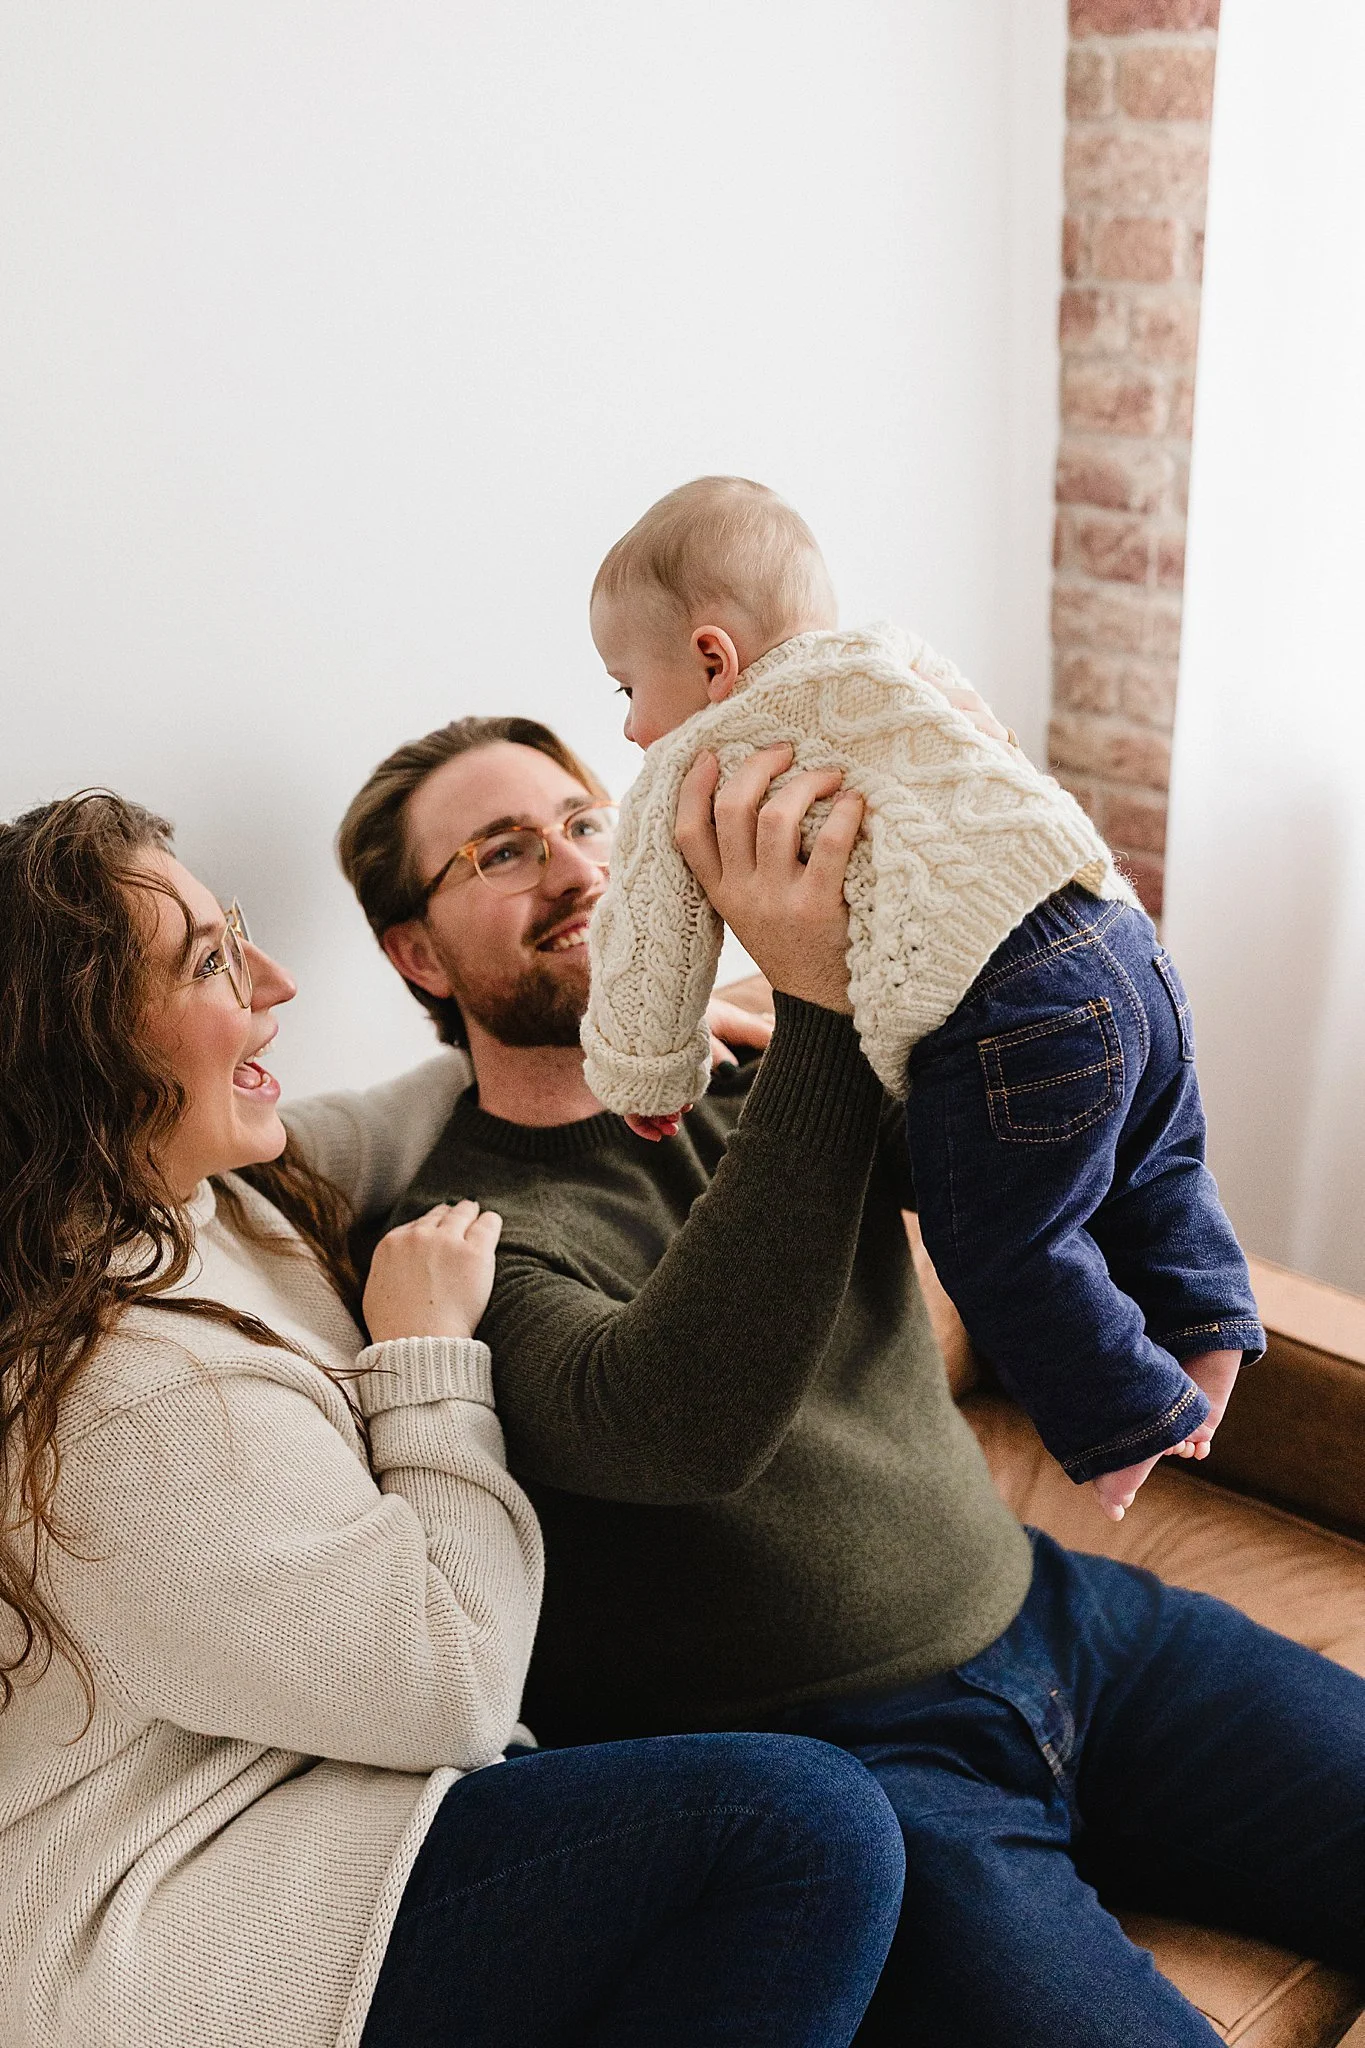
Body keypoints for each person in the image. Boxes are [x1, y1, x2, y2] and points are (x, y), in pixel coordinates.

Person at [339, 711, 1365, 2048]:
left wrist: (932, 874)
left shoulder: (763, 1065)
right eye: (501, 852)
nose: (577, 869)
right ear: (416, 950)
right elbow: (683, 1423)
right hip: (879, 1783)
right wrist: (812, 1009)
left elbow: (1041, 1158)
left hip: (1078, 1627)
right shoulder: (461, 1241)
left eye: (586, 822)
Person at [0, 789, 909, 2048]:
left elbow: (403, 1105)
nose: (275, 981)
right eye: (210, 961)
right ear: (80, 1053)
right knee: (801, 1829)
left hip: (337, 1793)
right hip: (189, 1921)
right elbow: (461, 1686)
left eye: (241, 933)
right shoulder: (118, 1396)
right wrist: (427, 1352)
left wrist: (636, 1018)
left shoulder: (197, 1196)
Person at [582, 474, 1263, 1520]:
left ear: (711, 657)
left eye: (626, 686)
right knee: (1155, 1157)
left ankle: (1126, 1415)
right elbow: (982, 735)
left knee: (999, 1238)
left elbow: (648, 944)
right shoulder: (885, 651)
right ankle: (1209, 1330)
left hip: (1006, 1005)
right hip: (1114, 929)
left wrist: (650, 1068)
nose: (631, 727)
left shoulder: (687, 766)